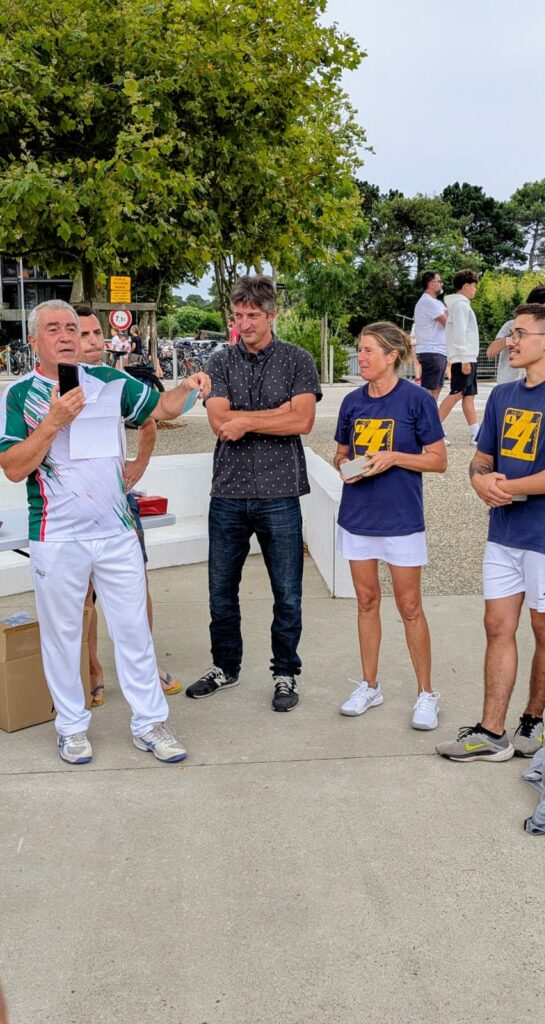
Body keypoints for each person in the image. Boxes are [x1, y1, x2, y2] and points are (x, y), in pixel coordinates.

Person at [0, 300, 210, 765]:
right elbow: (13, 468)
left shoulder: (109, 382)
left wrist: (189, 387)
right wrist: (53, 421)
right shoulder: (19, 396)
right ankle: (71, 728)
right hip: (56, 535)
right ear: (34, 340)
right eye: (53, 329)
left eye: (71, 328)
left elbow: (163, 407)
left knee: (134, 630)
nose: (66, 336)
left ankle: (149, 723)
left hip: (116, 532)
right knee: (62, 635)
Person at [436, 303, 545, 763]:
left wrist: (508, 487)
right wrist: (480, 482)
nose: (509, 342)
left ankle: (533, 718)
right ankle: (491, 731)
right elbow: (482, 459)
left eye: (519, 334)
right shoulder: (501, 395)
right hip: (503, 534)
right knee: (497, 627)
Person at [186, 274, 322, 711]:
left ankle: (285, 673)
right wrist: (274, 414)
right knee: (221, 590)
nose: (243, 324)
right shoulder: (220, 361)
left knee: (288, 592)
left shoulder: (298, 359)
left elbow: (303, 421)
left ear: (271, 315)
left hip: (280, 492)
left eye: (252, 316)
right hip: (228, 492)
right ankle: (225, 667)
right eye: (238, 315)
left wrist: (246, 420)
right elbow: (220, 423)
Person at [334, 322, 447, 728]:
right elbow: (340, 453)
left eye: (368, 351)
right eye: (360, 349)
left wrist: (394, 457)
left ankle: (426, 693)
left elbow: (439, 460)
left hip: (402, 520)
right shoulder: (352, 402)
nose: (361, 357)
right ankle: (369, 685)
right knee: (366, 602)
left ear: (392, 356)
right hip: (357, 517)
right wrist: (348, 467)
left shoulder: (417, 400)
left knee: (410, 607)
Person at [76, 305, 183, 703]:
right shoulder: (50, 388)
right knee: (83, 593)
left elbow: (152, 417)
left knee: (137, 583)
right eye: (82, 334)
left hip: (118, 505)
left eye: (95, 333)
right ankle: (92, 669)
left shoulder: (115, 382)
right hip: (71, 511)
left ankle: (145, 665)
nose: (92, 342)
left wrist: (139, 464)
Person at [486, 285, 545, 384]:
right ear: (536, 306)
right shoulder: (511, 325)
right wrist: (512, 336)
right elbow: (490, 353)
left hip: (538, 386)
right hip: (510, 384)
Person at [438, 269, 480, 444]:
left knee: (468, 396)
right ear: (466, 286)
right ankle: (434, 430)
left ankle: (476, 433)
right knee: (456, 393)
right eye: (474, 286)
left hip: (467, 357)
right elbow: (460, 333)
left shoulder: (460, 305)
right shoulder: (461, 306)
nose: (475, 290)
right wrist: (464, 358)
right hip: (463, 358)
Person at [412, 270, 448, 400]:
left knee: (437, 388)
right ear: (431, 284)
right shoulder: (428, 302)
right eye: (439, 281)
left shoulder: (436, 302)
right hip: (432, 350)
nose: (442, 284)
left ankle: (431, 412)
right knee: (429, 390)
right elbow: (448, 322)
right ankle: (424, 412)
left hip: (438, 350)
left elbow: (448, 315)